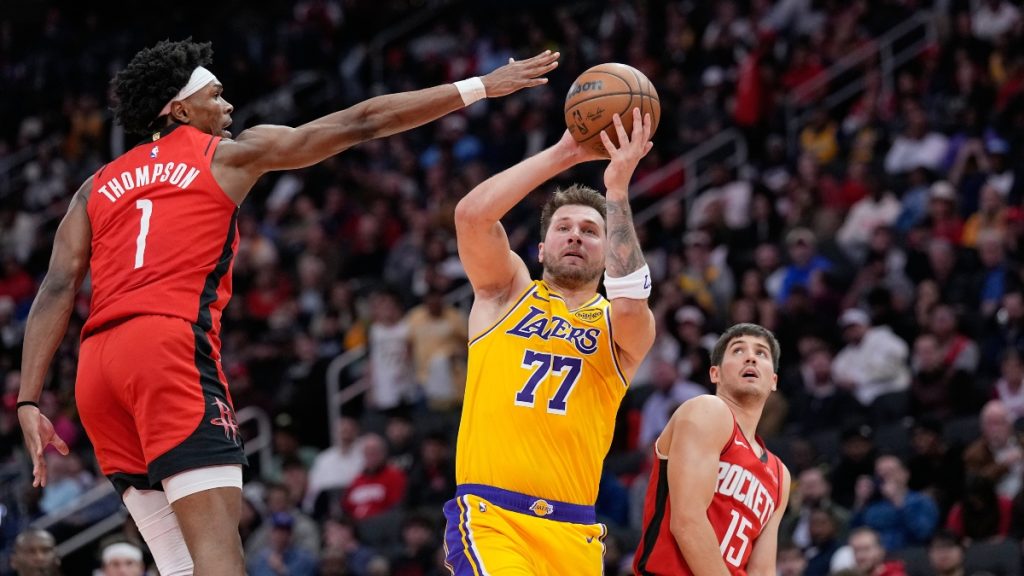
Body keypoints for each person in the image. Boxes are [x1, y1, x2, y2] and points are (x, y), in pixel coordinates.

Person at [15, 38, 559, 576]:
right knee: (219, 558)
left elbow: (57, 288)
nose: (229, 107)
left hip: (96, 372)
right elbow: (362, 122)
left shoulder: (95, 186)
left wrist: (29, 400)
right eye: (215, 96)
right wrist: (479, 86)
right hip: (165, 349)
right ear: (179, 110)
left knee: (177, 565)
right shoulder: (227, 154)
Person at [445, 107, 656, 575]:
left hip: (574, 532)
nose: (575, 237)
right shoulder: (506, 293)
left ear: (609, 251)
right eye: (563, 228)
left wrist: (617, 193)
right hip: (493, 518)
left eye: (590, 231)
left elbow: (629, 304)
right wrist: (565, 153)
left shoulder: (620, 325)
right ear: (541, 249)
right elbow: (471, 217)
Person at [633, 323, 792, 575]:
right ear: (715, 373)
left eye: (761, 353)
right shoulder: (706, 410)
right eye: (738, 350)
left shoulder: (780, 475)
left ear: (773, 381)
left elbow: (762, 570)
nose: (751, 357)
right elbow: (688, 522)